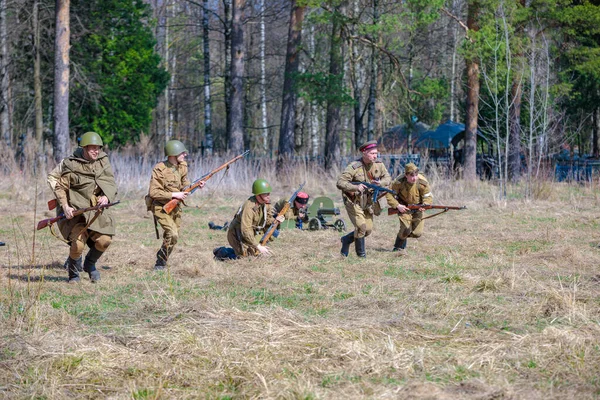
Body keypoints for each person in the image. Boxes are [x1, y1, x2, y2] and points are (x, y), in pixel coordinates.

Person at [54, 132, 117, 283]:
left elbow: (110, 182)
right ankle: (74, 274)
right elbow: (60, 188)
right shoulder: (71, 164)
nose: (96, 151)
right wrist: (66, 207)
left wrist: (106, 196)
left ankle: (89, 264)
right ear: (84, 148)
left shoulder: (103, 161)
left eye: (98, 148)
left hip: (96, 212)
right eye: (92, 148)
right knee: (78, 245)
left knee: (105, 241)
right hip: (78, 213)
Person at [147, 139, 204, 270]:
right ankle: (161, 261)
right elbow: (153, 192)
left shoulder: (182, 166)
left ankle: (161, 261)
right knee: (172, 233)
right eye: (182, 152)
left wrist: (196, 186)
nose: (185, 155)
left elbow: (185, 184)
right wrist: (174, 195)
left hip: (175, 207)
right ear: (173, 154)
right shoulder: (159, 169)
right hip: (161, 207)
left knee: (173, 237)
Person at [336, 140, 391, 258]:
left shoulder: (379, 165)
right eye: (372, 153)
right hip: (354, 201)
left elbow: (388, 178)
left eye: (376, 153)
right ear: (364, 153)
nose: (375, 156)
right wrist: (356, 187)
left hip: (369, 202)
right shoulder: (354, 166)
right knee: (361, 227)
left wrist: (380, 183)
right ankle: (361, 256)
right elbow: (340, 182)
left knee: (368, 230)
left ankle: (346, 240)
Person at [214, 179, 284, 260]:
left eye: (269, 193)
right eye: (266, 194)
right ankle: (222, 252)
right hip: (237, 234)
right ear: (258, 195)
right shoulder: (249, 207)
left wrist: (276, 220)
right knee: (244, 257)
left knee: (254, 254)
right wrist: (258, 246)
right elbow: (245, 230)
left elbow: (267, 220)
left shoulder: (265, 204)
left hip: (251, 232)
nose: (269, 196)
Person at [385, 162, 433, 256]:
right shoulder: (398, 182)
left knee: (417, 233)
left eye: (416, 175)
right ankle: (397, 247)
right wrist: (397, 205)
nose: (414, 178)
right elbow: (388, 194)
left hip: (418, 208)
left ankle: (404, 236)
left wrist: (425, 205)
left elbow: (428, 196)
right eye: (411, 176)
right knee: (405, 229)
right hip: (404, 208)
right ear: (406, 175)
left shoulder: (422, 182)